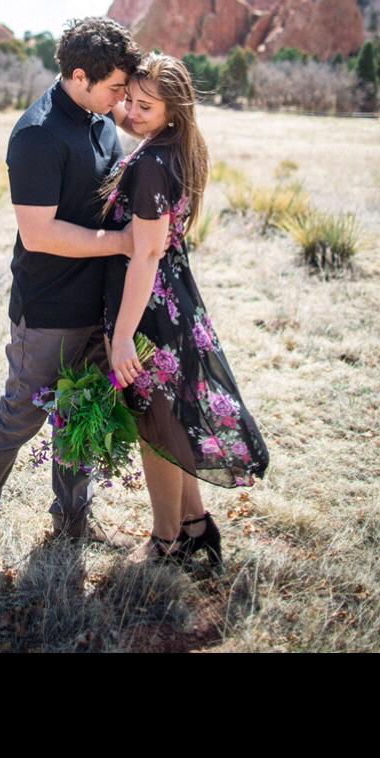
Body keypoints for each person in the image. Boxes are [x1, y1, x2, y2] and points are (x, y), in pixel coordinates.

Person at [0, 16, 143, 569]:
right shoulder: (37, 134)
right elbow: (40, 234)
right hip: (49, 307)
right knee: (20, 415)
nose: (121, 100)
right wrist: (120, 242)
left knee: (81, 411)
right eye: (115, 88)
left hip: (97, 305)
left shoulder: (100, 119)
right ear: (79, 76)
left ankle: (73, 521)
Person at [101, 51, 270, 569]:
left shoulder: (152, 163)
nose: (131, 111)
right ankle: (196, 527)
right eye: (128, 98)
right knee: (168, 423)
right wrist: (114, 107)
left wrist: (124, 335)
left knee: (157, 431)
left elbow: (146, 252)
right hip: (173, 301)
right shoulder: (170, 146)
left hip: (150, 309)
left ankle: (166, 541)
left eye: (145, 105)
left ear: (173, 111)